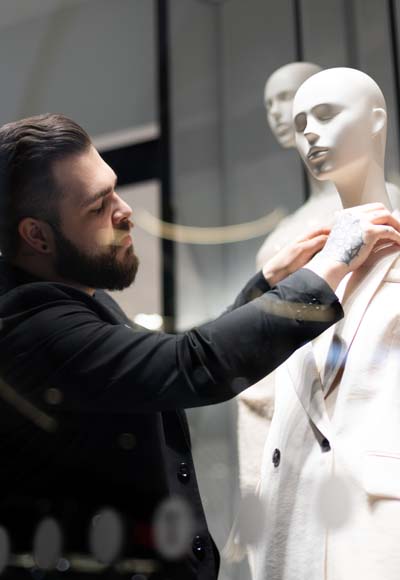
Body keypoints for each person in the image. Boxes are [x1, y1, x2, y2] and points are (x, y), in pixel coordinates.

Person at [0, 114, 397, 580]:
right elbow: (189, 364)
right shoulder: (28, 326)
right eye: (98, 206)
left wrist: (266, 285)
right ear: (37, 235)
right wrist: (327, 268)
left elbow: (167, 357)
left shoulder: (72, 300)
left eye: (115, 189)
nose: (125, 211)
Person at [254, 68, 400, 580]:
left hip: (376, 521)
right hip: (294, 518)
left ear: (376, 120)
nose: (309, 133)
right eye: (301, 124)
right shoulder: (307, 264)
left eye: (325, 114)